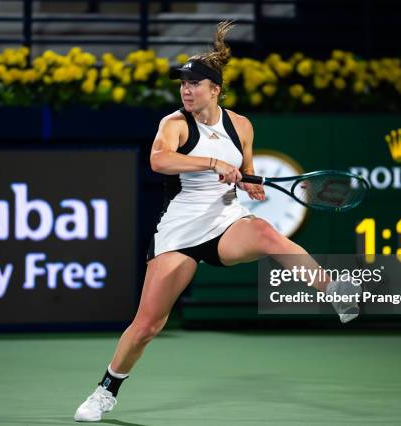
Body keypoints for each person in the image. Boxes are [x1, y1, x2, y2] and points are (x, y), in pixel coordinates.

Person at [74, 21, 360, 423]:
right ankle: (106, 390)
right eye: (182, 84)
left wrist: (250, 185)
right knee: (148, 325)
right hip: (180, 231)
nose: (186, 90)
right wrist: (211, 162)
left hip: (226, 221)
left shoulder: (240, 125)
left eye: (194, 84)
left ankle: (332, 290)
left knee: (264, 232)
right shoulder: (173, 124)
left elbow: (245, 170)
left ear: (215, 90)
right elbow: (159, 161)